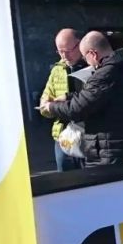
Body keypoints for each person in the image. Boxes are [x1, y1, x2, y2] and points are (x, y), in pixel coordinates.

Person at [40, 31, 123, 166]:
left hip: (112, 151)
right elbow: (99, 97)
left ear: (93, 54)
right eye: (60, 52)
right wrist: (67, 96)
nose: (87, 62)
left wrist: (51, 106)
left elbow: (78, 108)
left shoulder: (104, 74)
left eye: (85, 56)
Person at [39, 29, 87, 172]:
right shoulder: (57, 70)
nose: (64, 56)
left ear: (79, 45)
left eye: (68, 50)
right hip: (64, 135)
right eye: (60, 51)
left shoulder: (93, 65)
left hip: (89, 134)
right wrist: (46, 107)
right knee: (65, 179)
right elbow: (44, 104)